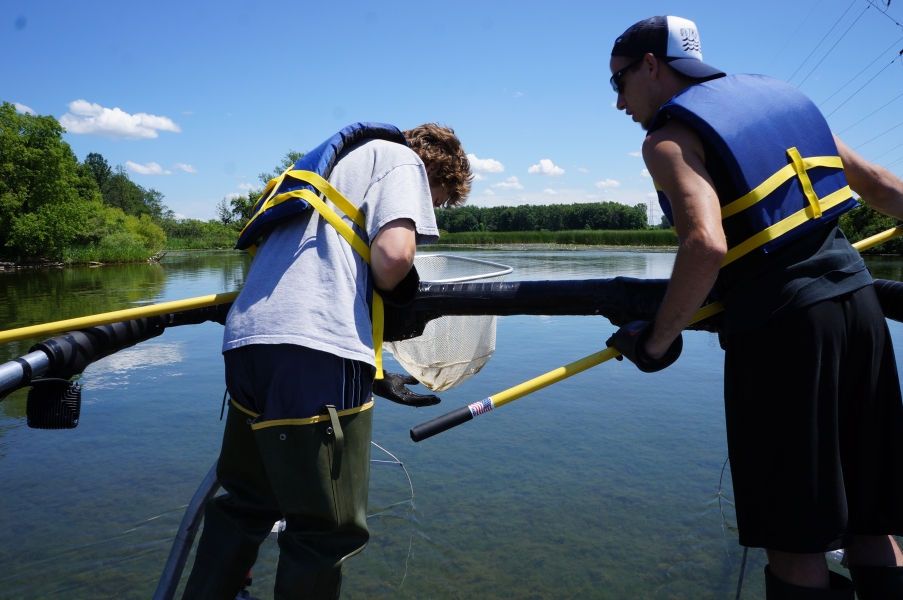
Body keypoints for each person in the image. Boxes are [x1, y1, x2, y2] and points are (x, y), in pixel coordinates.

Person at [606, 16, 903, 599]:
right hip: (861, 309)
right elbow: (877, 185)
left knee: (796, 535)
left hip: (784, 331)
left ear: (650, 65)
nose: (618, 101)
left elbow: (706, 243)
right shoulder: (785, 99)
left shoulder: (667, 140)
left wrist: (655, 342)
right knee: (875, 519)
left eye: (617, 81)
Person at [183, 122, 472, 600]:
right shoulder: (401, 160)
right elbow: (393, 257)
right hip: (317, 350)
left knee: (247, 504)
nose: (431, 208)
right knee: (325, 531)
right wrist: (400, 291)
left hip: (248, 343)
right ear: (436, 171)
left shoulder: (336, 169)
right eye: (437, 201)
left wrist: (374, 371)